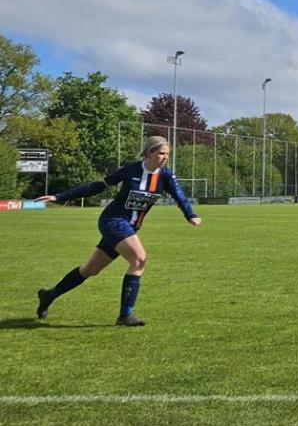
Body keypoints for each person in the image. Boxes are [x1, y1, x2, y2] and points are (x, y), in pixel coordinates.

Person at [35, 136, 201, 326]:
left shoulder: (166, 176)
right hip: (113, 220)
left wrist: (190, 215)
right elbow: (98, 186)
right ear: (149, 153)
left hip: (129, 227)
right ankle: (125, 315)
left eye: (167, 154)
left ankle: (49, 295)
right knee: (139, 259)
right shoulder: (131, 169)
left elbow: (180, 196)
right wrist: (60, 196)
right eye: (161, 153)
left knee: (89, 270)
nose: (165, 157)